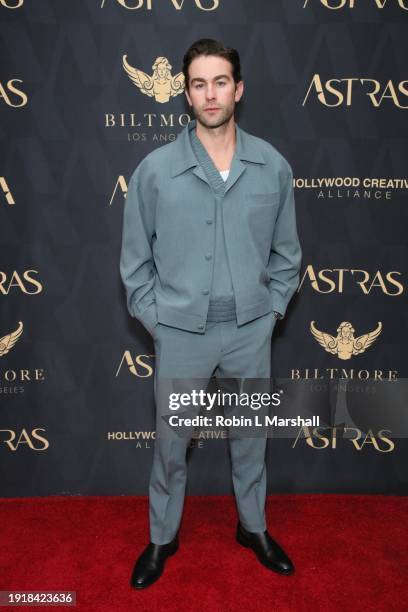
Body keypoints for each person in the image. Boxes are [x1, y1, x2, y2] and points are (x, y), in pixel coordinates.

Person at [120, 38, 302, 589]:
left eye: (220, 81)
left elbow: (288, 256)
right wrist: (162, 323)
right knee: (171, 445)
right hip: (181, 333)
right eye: (198, 83)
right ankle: (161, 538)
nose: (210, 93)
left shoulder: (271, 166)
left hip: (250, 330)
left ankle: (253, 528)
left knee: (250, 439)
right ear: (186, 93)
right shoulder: (154, 171)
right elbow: (134, 267)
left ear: (238, 89)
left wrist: (268, 312)